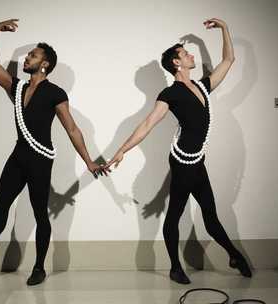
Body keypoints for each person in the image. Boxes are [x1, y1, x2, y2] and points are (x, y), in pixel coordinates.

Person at [0, 19, 108, 286]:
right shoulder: (17, 88)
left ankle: (39, 267)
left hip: (40, 160)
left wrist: (89, 162)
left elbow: (73, 129)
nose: (27, 58)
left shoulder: (55, 93)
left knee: (40, 214)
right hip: (18, 157)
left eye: (32, 55)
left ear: (45, 64)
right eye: (27, 55)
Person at [105, 18, 252, 284]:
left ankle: (233, 254)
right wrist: (121, 151)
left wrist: (224, 29)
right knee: (175, 213)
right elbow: (147, 124)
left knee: (210, 214)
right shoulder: (170, 93)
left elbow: (229, 60)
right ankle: (175, 267)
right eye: (186, 53)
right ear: (176, 63)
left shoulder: (202, 87)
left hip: (197, 160)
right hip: (182, 161)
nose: (191, 54)